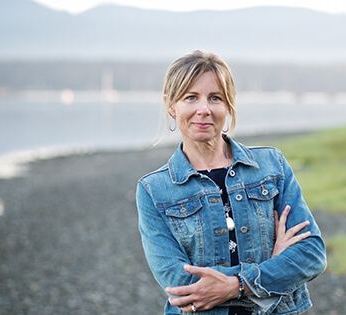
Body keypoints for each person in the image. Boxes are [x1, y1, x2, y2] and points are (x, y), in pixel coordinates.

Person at [136, 50, 326, 315]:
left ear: (228, 105)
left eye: (215, 98)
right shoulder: (153, 191)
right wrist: (272, 266)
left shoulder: (272, 166)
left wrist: (235, 285)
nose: (203, 109)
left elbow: (311, 254)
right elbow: (181, 286)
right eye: (191, 97)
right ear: (171, 105)